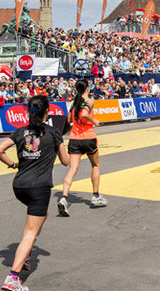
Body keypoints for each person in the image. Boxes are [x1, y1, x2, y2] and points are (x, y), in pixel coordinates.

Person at [0, 95, 69, 291]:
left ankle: (25, 255)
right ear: (47, 111)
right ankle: (13, 278)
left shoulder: (20, 132)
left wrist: (13, 164)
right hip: (39, 186)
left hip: (20, 186)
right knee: (30, 232)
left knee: (39, 218)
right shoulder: (53, 132)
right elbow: (66, 161)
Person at [58, 79, 108, 217]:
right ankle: (96, 195)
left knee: (72, 169)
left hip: (74, 138)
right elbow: (85, 114)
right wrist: (94, 121)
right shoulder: (89, 101)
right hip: (88, 137)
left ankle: (64, 197)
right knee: (95, 165)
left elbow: (69, 120)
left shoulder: (74, 103)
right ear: (86, 89)